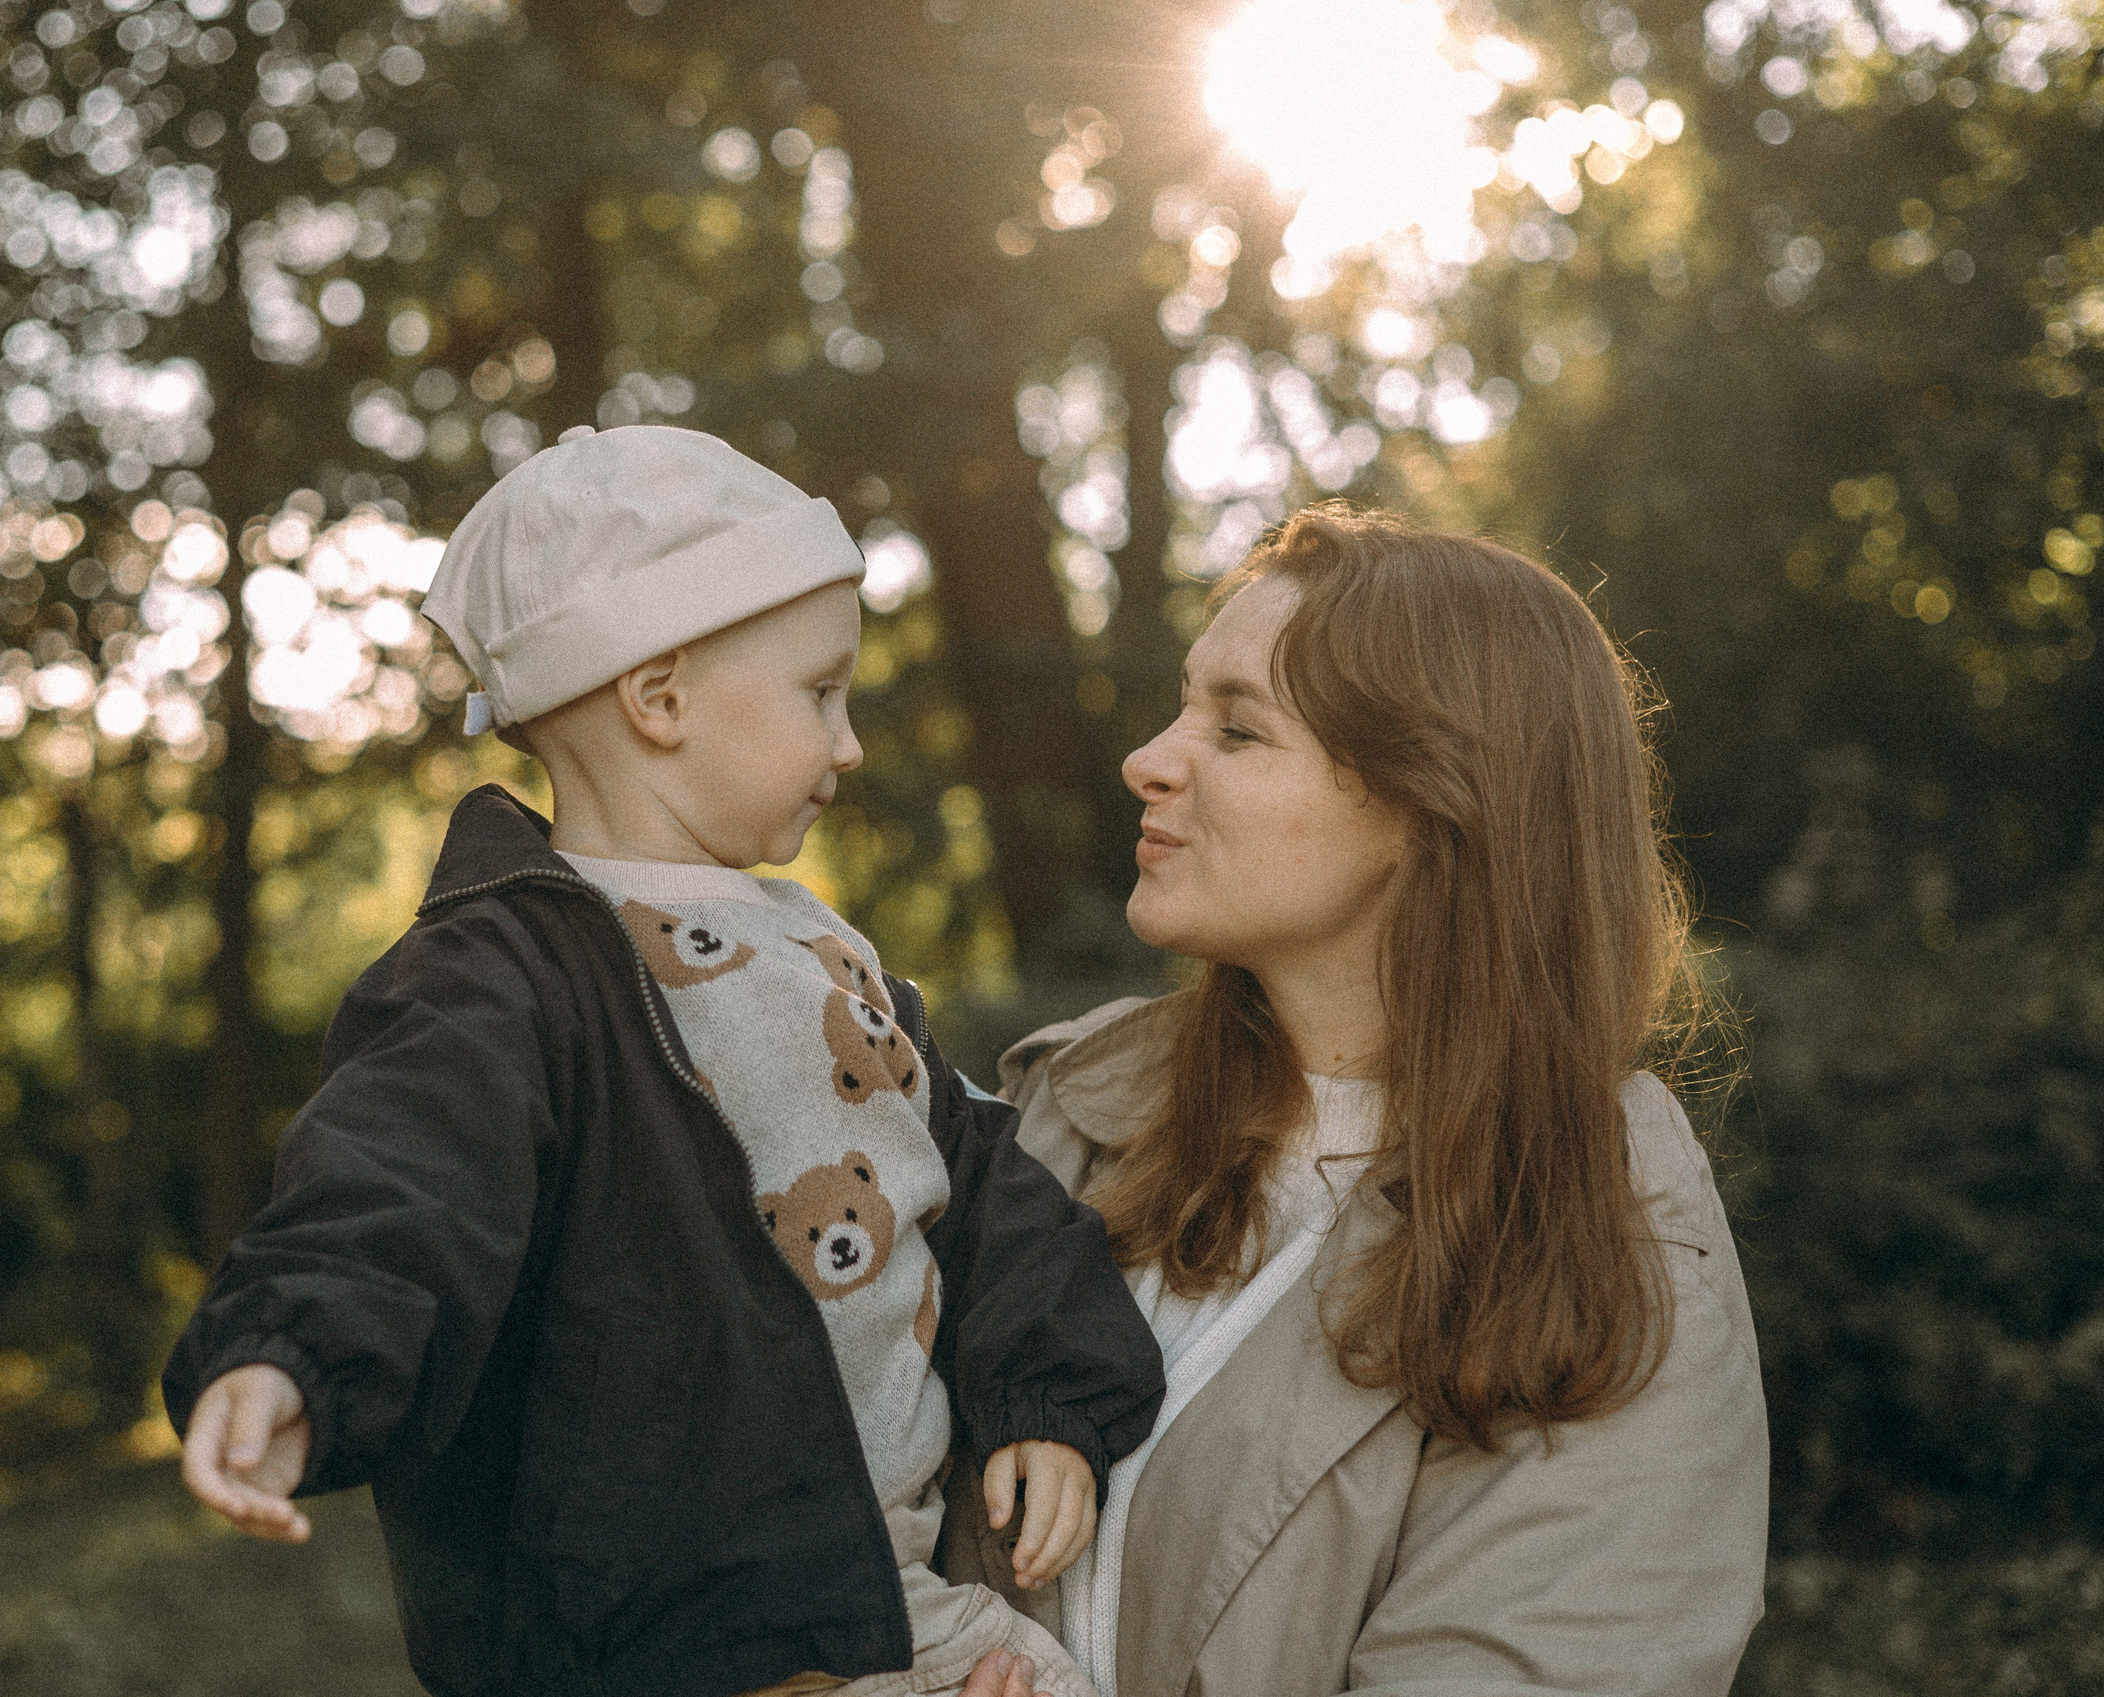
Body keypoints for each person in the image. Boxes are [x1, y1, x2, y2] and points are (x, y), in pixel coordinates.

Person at [160, 426, 1164, 1697]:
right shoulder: (504, 969)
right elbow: (399, 1185)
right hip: (648, 1642)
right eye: (819, 693)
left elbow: (985, 1191)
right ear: (662, 696)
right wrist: (293, 1346)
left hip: (884, 1614)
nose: (848, 744)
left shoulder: (826, 958)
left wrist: (1046, 1402)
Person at [949, 505, 1768, 1697]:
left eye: (1235, 728)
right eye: (1184, 703)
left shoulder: (1603, 1232)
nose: (1149, 758)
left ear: (1431, 800)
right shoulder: (1059, 1109)